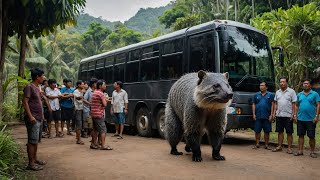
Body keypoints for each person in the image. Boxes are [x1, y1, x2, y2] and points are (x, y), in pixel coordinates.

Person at [23, 68, 47, 171]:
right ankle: (31, 163)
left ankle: (35, 159)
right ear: (37, 77)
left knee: (35, 140)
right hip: (33, 118)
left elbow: (39, 102)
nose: (43, 78)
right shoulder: (29, 87)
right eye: (42, 76)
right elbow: (25, 102)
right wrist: (30, 116)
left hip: (38, 117)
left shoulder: (37, 87)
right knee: (32, 141)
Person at [294, 79, 320, 158]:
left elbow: (318, 105)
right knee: (300, 135)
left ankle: (312, 152)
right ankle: (300, 150)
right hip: (301, 119)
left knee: (311, 136)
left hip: (311, 119)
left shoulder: (315, 94)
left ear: (310, 85)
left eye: (307, 83)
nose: (305, 85)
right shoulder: (299, 94)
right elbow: (296, 105)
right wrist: (295, 115)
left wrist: (316, 116)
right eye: (304, 83)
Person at [272, 77, 297, 154]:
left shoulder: (291, 92)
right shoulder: (277, 92)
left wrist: (294, 114)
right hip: (279, 115)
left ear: (286, 83)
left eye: (283, 82)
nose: (282, 83)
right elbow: (276, 103)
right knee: (280, 132)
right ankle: (279, 146)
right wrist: (274, 113)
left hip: (288, 115)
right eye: (280, 82)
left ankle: (289, 148)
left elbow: (294, 104)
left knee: (289, 132)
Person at [91, 80, 113, 150]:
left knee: (95, 130)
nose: (105, 86)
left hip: (94, 113)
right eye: (104, 85)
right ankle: (103, 145)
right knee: (103, 130)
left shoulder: (94, 92)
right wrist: (106, 100)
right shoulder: (101, 93)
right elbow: (105, 104)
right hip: (99, 114)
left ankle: (93, 144)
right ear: (100, 86)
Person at [252, 81, 274, 150]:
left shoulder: (270, 95)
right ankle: (257, 143)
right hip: (258, 115)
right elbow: (253, 104)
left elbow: (273, 105)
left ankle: (266, 144)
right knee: (257, 130)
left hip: (267, 116)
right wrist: (254, 114)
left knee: (267, 131)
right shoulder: (256, 95)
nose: (261, 87)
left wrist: (271, 115)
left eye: (262, 85)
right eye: (260, 85)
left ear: (266, 87)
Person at [73, 80, 85, 145]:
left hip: (81, 108)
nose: (83, 85)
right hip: (77, 109)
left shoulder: (82, 91)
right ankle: (78, 140)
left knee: (80, 124)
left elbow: (82, 99)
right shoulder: (76, 91)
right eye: (82, 84)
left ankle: (78, 138)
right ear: (78, 85)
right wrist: (82, 95)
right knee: (79, 124)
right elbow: (78, 98)